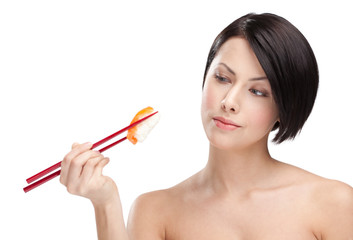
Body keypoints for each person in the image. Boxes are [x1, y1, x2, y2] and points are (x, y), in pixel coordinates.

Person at [59, 13, 353, 239]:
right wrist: (105, 202)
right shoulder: (155, 210)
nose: (229, 101)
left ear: (284, 108)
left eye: (258, 92)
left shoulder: (333, 203)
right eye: (223, 78)